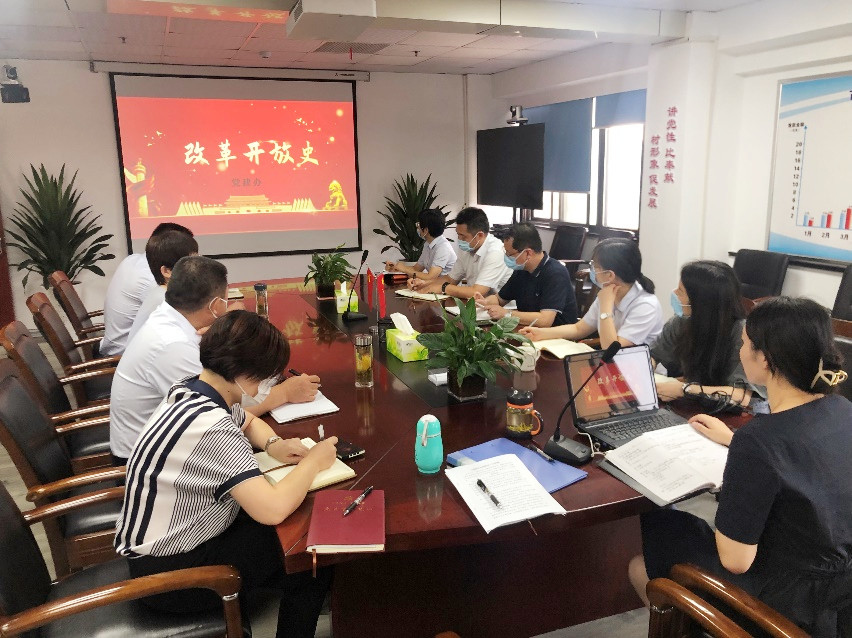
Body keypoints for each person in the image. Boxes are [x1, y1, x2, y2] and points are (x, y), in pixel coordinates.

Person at [629, 297, 852, 637]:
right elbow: (808, 458)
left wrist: (740, 466)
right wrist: (733, 440)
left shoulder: (758, 441)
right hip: (839, 593)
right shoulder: (843, 409)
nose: (740, 350)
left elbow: (736, 561)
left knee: (662, 523)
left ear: (765, 358)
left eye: (746, 343)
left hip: (789, 606)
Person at [115, 310, 338, 638]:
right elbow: (272, 508)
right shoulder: (213, 428)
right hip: (172, 577)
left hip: (157, 551)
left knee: (289, 527)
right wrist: (313, 462)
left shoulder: (191, 389)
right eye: (266, 378)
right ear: (245, 376)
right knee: (308, 553)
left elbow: (247, 420)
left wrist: (274, 445)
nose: (266, 387)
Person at [109, 255, 320, 464]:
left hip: (169, 443)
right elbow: (221, 412)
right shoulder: (174, 346)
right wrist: (285, 393)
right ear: (216, 305)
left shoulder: (170, 319)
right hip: (147, 461)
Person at [520, 238, 662, 349]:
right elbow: (579, 329)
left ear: (610, 275)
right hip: (613, 366)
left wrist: (605, 307)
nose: (592, 270)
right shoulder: (608, 292)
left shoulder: (645, 305)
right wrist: (541, 333)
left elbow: (611, 348)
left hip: (643, 371)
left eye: (595, 266)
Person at [652, 260, 760, 406]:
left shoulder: (743, 335)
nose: (674, 294)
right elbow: (654, 355)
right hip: (696, 403)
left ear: (701, 302)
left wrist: (684, 389)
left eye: (681, 291)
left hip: (729, 411)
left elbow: (741, 396)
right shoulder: (681, 322)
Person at [100, 222, 194, 356]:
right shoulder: (152, 280)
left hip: (118, 344)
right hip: (124, 353)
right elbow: (186, 319)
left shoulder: (133, 260)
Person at [474, 222, 579, 327]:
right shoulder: (521, 269)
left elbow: (545, 320)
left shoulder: (556, 273)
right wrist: (485, 302)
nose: (506, 257)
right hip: (528, 329)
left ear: (528, 253)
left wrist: (507, 314)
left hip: (556, 333)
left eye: (509, 254)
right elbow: (500, 299)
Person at [409, 206, 511, 299]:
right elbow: (450, 279)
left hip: (500, 309)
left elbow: (477, 292)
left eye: (463, 236)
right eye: (458, 234)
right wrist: (424, 283)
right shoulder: (468, 247)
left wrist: (443, 288)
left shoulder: (496, 252)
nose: (459, 239)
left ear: (479, 235)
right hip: (476, 304)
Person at [126, 229, 198, 344]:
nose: (199, 267)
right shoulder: (165, 301)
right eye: (191, 263)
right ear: (166, 271)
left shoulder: (164, 292)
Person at [385, 208, 456, 281]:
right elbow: (416, 269)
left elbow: (430, 277)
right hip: (434, 284)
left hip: (445, 286)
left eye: (418, 224)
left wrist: (405, 269)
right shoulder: (428, 244)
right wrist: (396, 268)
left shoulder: (443, 248)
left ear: (426, 230)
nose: (417, 227)